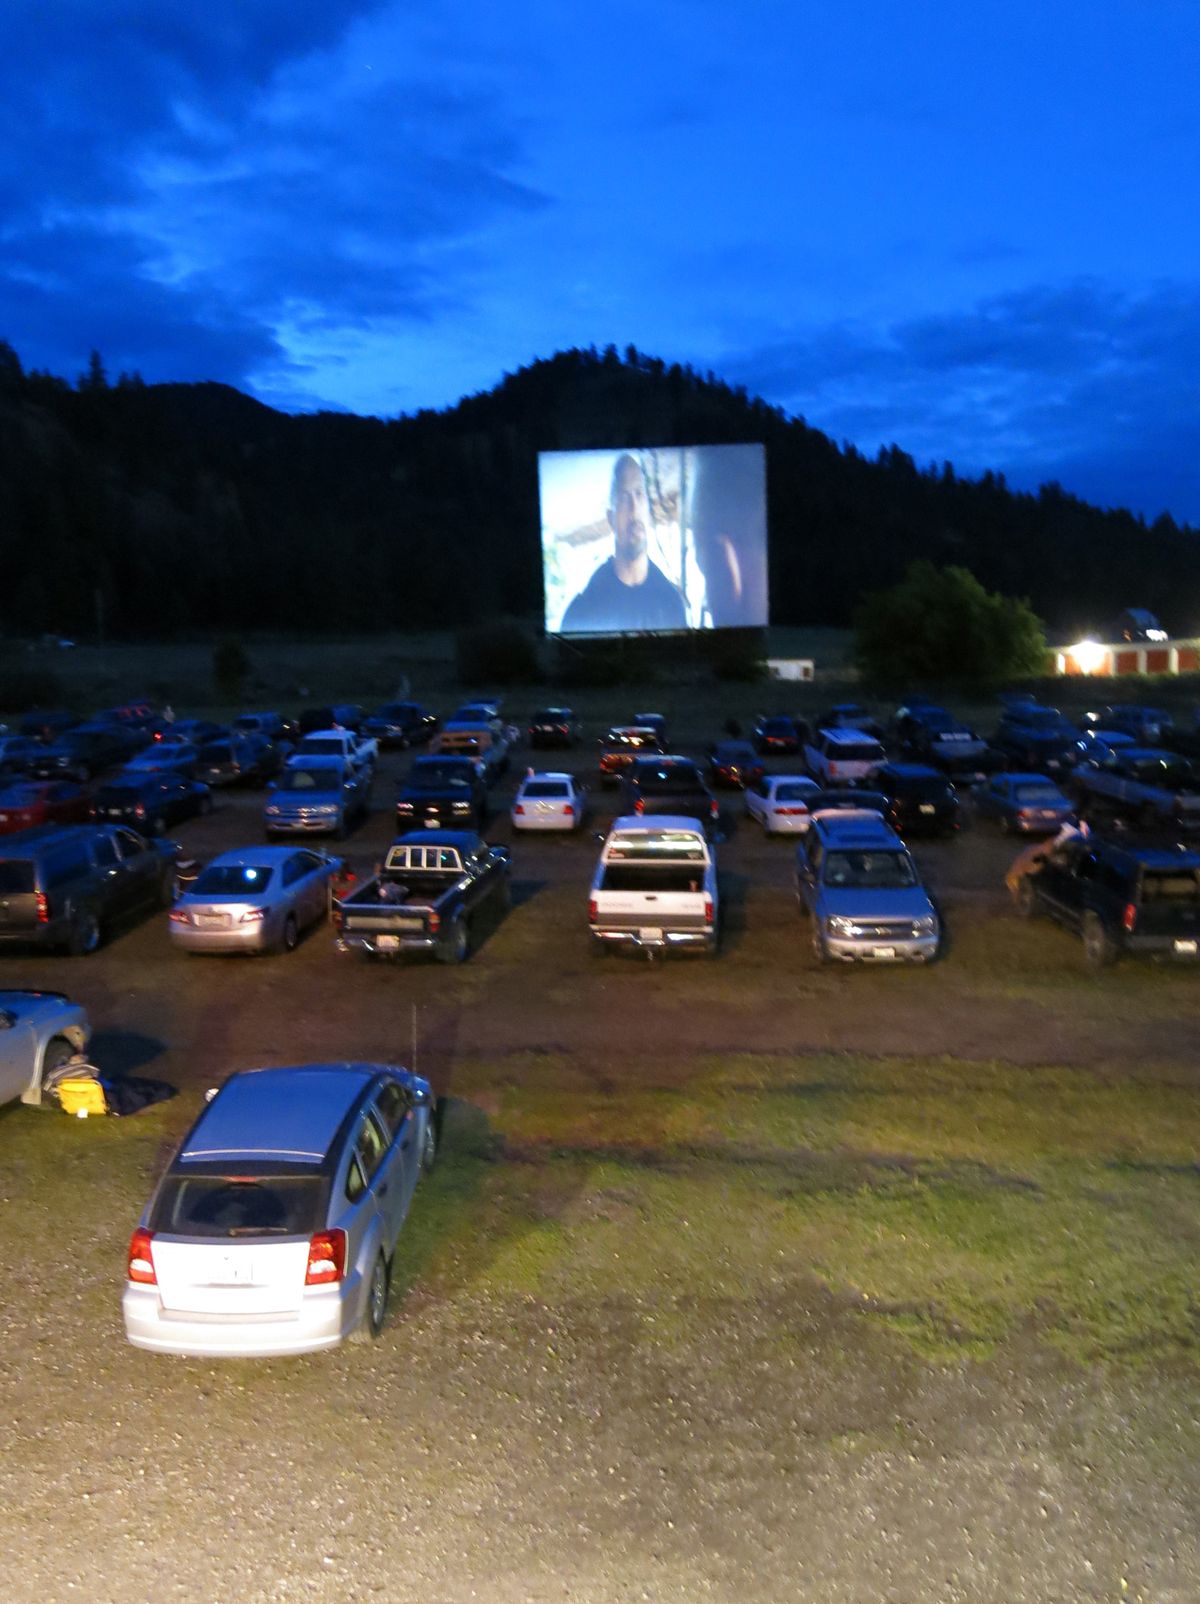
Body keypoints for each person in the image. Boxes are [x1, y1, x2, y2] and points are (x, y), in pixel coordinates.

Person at [560, 454, 687, 633]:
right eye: (624, 498)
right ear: (611, 518)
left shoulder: (672, 603)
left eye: (639, 495)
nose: (634, 509)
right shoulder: (583, 610)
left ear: (649, 512)